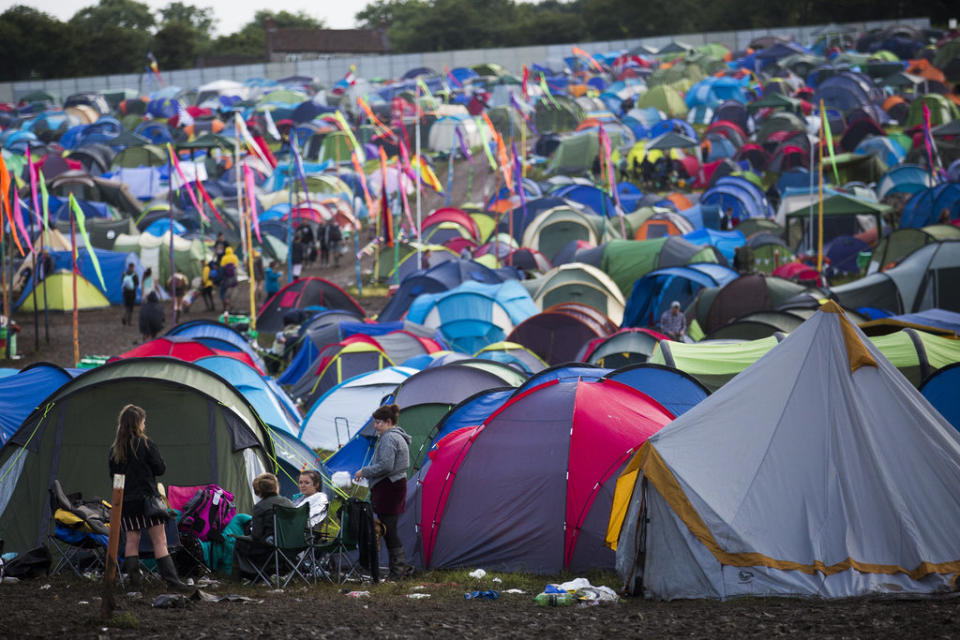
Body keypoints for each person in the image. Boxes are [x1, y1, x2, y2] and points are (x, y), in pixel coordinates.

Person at [108, 404, 189, 591]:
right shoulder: (146, 444)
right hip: (149, 501)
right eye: (144, 421)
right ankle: (173, 582)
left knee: (131, 540)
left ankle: (134, 585)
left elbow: (114, 476)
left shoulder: (115, 449)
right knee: (159, 541)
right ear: (138, 423)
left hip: (127, 502)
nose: (145, 424)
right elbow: (160, 469)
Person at [353, 404, 413, 581]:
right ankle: (398, 569)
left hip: (389, 488)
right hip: (392, 486)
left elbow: (386, 466)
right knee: (388, 528)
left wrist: (364, 471)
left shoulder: (389, 438)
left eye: (378, 422)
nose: (375, 426)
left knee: (389, 529)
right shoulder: (394, 436)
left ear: (388, 422)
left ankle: (398, 571)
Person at [232, 473, 294, 580]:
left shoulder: (260, 507)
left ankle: (248, 577)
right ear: (276, 486)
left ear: (258, 491)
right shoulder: (288, 503)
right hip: (293, 545)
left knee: (240, 543)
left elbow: (256, 535)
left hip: (271, 547)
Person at [219, 246, 240, 312]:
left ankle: (226, 307)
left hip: (226, 279)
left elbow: (221, 268)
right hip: (233, 278)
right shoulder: (235, 257)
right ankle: (228, 304)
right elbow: (236, 267)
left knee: (223, 294)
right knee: (230, 293)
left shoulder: (224, 258)